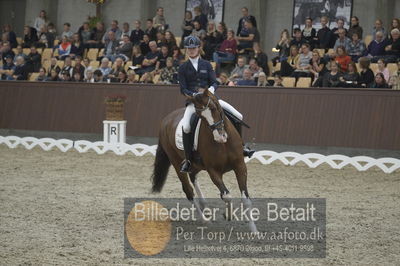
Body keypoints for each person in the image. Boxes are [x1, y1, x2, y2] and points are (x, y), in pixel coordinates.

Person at [178, 36, 254, 173]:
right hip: (194, 103)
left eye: (194, 48)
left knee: (238, 115)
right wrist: (193, 95)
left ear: (198, 48)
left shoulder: (207, 64)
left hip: (211, 100)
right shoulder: (183, 67)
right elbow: (183, 89)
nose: (191, 51)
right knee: (187, 127)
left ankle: (242, 147)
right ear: (186, 50)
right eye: (189, 48)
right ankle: (189, 160)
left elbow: (214, 82)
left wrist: (211, 90)